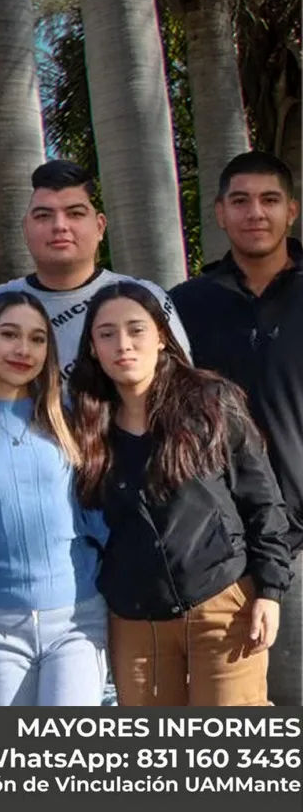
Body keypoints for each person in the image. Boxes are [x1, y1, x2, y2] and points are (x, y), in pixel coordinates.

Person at [70, 281, 293, 706]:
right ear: (93, 348)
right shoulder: (85, 425)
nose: (124, 344)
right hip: (136, 623)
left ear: (161, 337)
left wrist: (269, 591)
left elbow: (261, 499)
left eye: (137, 329)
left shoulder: (211, 401)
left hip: (223, 605)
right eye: (106, 334)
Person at [170, 151, 303, 706]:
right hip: (223, 548)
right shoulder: (184, 307)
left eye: (270, 200)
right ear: (220, 213)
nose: (256, 213)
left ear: (291, 211)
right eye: (241, 201)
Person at [0, 291, 105, 705]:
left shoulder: (72, 417)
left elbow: (104, 518)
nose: (23, 349)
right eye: (9, 335)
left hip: (78, 618)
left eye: (37, 339)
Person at [0, 160, 191, 387]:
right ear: (26, 229)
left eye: (75, 213)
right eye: (44, 216)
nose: (60, 226)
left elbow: (181, 389)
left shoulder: (144, 298)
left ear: (100, 226)